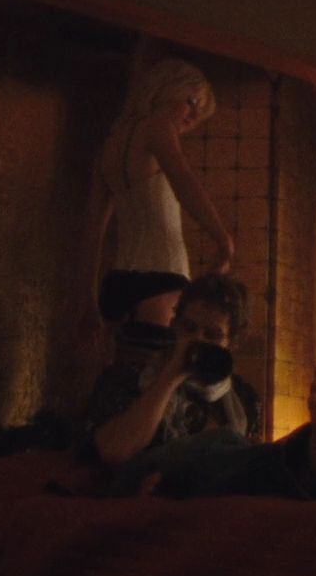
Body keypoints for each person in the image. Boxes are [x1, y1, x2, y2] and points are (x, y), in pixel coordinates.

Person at [85, 273, 316, 501]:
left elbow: (246, 464)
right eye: (189, 328)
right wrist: (171, 374)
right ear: (173, 325)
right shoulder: (131, 376)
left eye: (212, 335)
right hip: (152, 475)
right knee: (220, 441)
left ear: (232, 343)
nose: (197, 340)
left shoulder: (242, 398)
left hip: (219, 480)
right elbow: (114, 451)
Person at [74, 44, 235, 380]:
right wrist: (223, 239)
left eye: (198, 112)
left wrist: (89, 298)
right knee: (159, 386)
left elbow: (93, 230)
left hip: (116, 286)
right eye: (191, 102)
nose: (191, 117)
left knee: (117, 385)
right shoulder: (157, 126)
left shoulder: (110, 146)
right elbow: (185, 182)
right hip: (162, 279)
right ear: (166, 89)